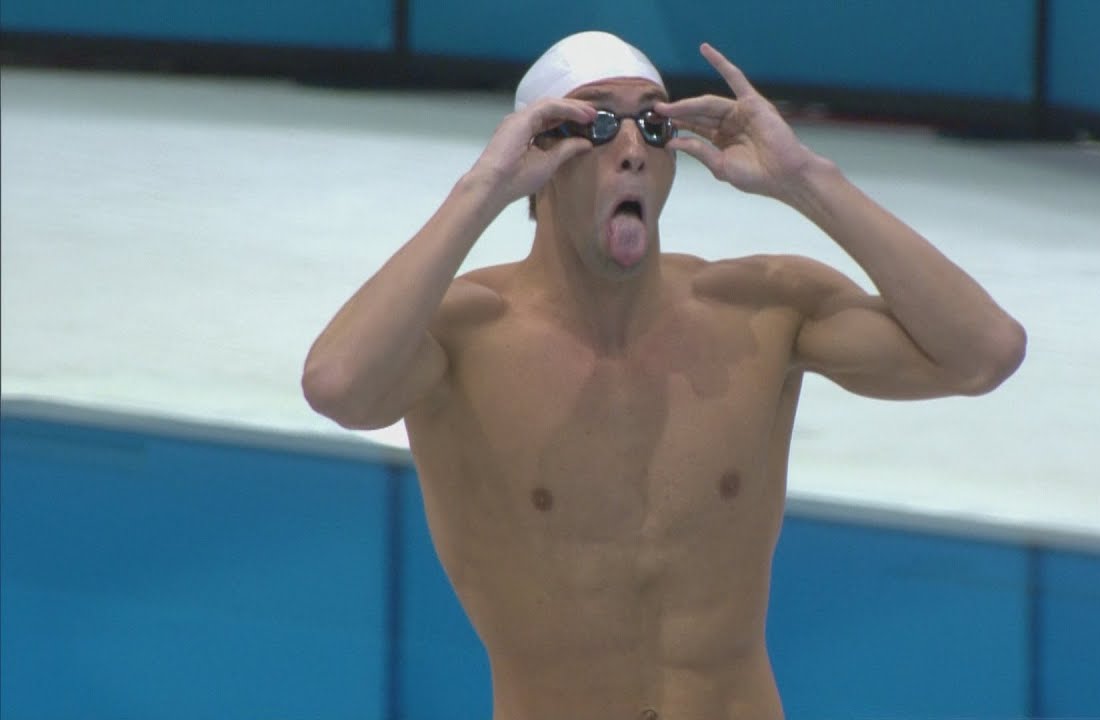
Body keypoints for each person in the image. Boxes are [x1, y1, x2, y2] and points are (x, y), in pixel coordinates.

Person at [302, 30, 1025, 720]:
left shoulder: (760, 313)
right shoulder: (465, 335)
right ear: (537, 158)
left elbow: (983, 352)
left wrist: (808, 179)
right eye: (596, 127)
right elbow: (338, 385)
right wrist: (481, 189)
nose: (631, 150)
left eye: (651, 127)